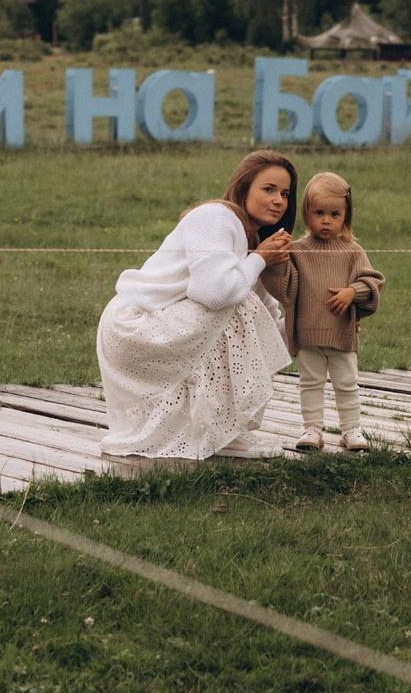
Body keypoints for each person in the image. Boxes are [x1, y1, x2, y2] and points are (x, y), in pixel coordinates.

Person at [98, 151, 298, 461]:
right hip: (134, 324)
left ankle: (222, 432)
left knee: (243, 305)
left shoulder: (255, 238)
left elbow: (266, 322)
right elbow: (215, 293)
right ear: (243, 187)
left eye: (285, 194)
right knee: (237, 304)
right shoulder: (215, 217)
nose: (279, 201)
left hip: (170, 323)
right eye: (268, 189)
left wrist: (310, 327)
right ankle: (225, 434)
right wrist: (259, 258)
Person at [275, 172, 383, 451]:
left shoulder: (351, 252)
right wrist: (277, 260)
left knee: (347, 384)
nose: (326, 220)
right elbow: (284, 287)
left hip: (341, 333)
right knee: (309, 383)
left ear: (345, 217)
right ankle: (312, 430)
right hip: (307, 334)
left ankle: (351, 430)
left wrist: (352, 292)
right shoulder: (298, 252)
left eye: (334, 214)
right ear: (306, 214)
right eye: (318, 212)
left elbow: (373, 281)